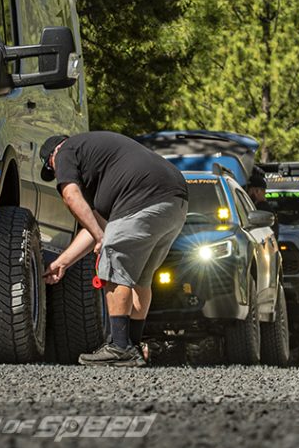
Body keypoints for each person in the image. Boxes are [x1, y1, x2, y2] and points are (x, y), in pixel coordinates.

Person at [40, 132, 188, 367]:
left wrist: (102, 239)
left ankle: (119, 347)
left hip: (141, 198)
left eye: (52, 168)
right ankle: (132, 347)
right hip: (174, 201)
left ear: (53, 156)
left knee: (113, 270)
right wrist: (63, 262)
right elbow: (96, 228)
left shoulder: (66, 151)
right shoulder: (102, 162)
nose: (57, 172)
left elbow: (70, 195)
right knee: (140, 279)